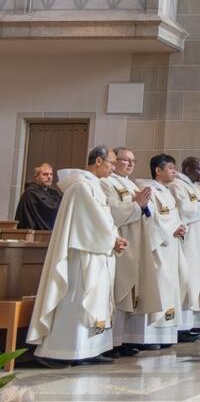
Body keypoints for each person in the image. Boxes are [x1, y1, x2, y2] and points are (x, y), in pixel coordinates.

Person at [27, 146, 127, 368]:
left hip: (98, 252)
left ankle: (91, 348)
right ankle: (62, 350)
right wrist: (112, 240)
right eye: (111, 162)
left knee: (96, 301)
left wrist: (115, 239)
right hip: (82, 256)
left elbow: (105, 219)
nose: (113, 167)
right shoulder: (81, 186)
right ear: (99, 161)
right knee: (79, 301)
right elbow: (90, 222)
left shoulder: (94, 186)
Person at [123, 154, 187, 349]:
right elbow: (149, 217)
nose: (174, 171)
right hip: (158, 248)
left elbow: (175, 216)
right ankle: (149, 336)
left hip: (171, 247)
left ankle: (165, 335)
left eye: (174, 168)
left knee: (173, 286)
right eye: (170, 168)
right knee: (156, 288)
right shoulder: (148, 189)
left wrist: (182, 227)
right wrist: (171, 229)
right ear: (157, 171)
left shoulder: (166, 192)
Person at [97, 147, 151, 358]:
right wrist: (136, 205)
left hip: (135, 242)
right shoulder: (105, 183)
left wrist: (144, 206)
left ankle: (124, 338)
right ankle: (111, 341)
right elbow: (110, 211)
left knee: (130, 293)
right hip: (119, 241)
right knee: (118, 290)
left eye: (133, 160)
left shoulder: (131, 184)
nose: (129, 164)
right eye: (125, 160)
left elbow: (146, 210)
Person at [174, 156, 200, 339]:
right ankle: (183, 326)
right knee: (189, 282)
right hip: (190, 241)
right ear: (188, 170)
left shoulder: (196, 188)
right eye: (199, 169)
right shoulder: (177, 185)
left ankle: (197, 324)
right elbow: (182, 210)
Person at [16, 163, 62, 230]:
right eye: (45, 174)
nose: (49, 177)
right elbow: (49, 209)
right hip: (36, 233)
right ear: (36, 177)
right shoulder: (30, 193)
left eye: (51, 174)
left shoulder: (54, 193)